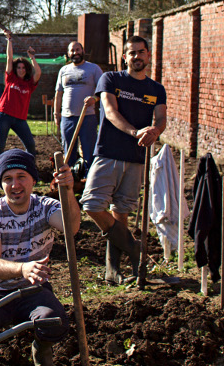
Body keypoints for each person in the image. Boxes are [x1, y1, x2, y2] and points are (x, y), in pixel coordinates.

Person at [0, 149, 78, 366]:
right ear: (1, 184)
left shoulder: (45, 207)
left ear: (33, 179)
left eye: (21, 177)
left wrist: (68, 190)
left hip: (32, 289)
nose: (15, 185)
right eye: (8, 179)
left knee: (55, 322)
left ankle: (41, 350)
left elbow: (70, 228)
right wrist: (22, 269)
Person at [80, 36, 167, 285]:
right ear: (124, 57)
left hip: (137, 158)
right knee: (92, 205)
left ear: (148, 55)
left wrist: (155, 131)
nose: (137, 57)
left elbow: (161, 118)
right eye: (132, 53)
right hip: (108, 152)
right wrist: (134, 132)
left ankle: (112, 271)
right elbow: (110, 111)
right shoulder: (111, 79)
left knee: (122, 212)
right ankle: (132, 246)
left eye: (141, 52)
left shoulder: (156, 89)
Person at [54, 42, 103, 177]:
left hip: (87, 117)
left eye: (77, 50)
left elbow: (102, 91)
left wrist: (95, 99)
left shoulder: (93, 69)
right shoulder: (64, 70)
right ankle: (70, 182)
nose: (75, 53)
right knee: (68, 152)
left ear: (83, 51)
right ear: (68, 54)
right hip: (67, 118)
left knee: (89, 151)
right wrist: (56, 113)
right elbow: (58, 93)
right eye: (72, 51)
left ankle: (89, 181)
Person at [0, 30, 42, 160]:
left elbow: (38, 73)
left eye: (23, 68)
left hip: (20, 119)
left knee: (31, 145)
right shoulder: (10, 78)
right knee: (0, 146)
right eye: (19, 68)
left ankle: (30, 172)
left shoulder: (29, 84)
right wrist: (9, 40)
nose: (21, 70)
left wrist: (32, 57)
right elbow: (9, 58)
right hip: (4, 115)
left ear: (27, 70)